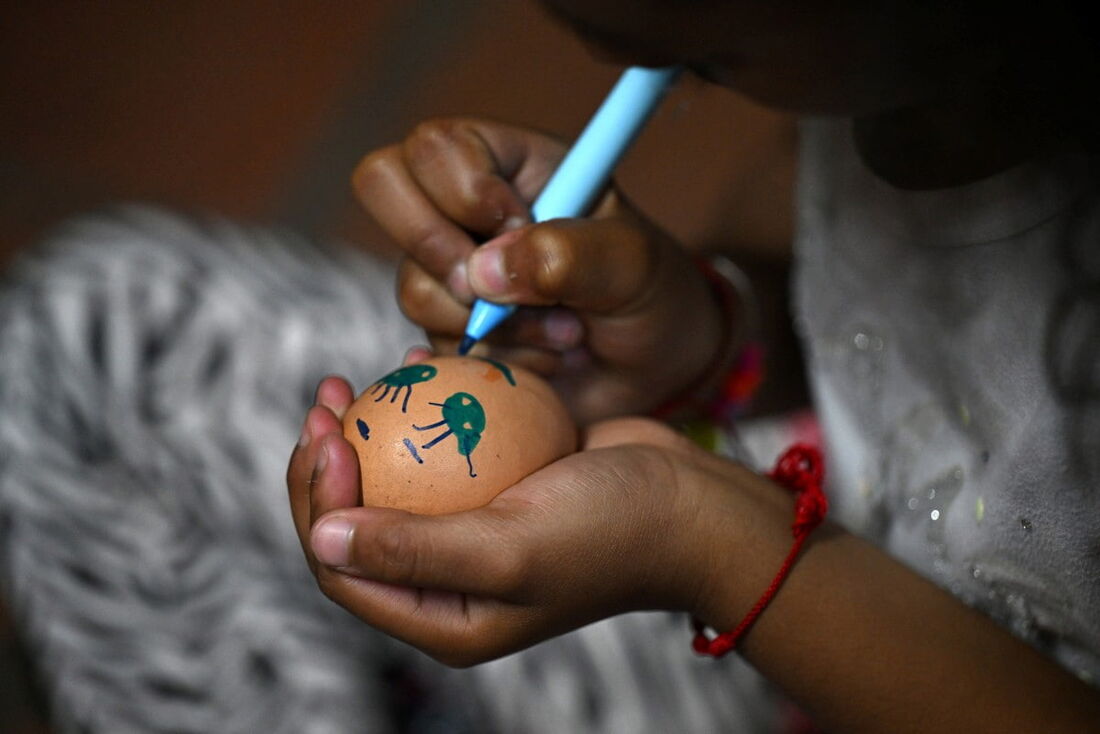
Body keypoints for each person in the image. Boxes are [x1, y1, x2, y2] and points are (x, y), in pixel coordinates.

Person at [287, 0, 1100, 732]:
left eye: (706, 60)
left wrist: (714, 547)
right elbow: (828, 271)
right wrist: (708, 337)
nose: (593, 40)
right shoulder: (888, 87)